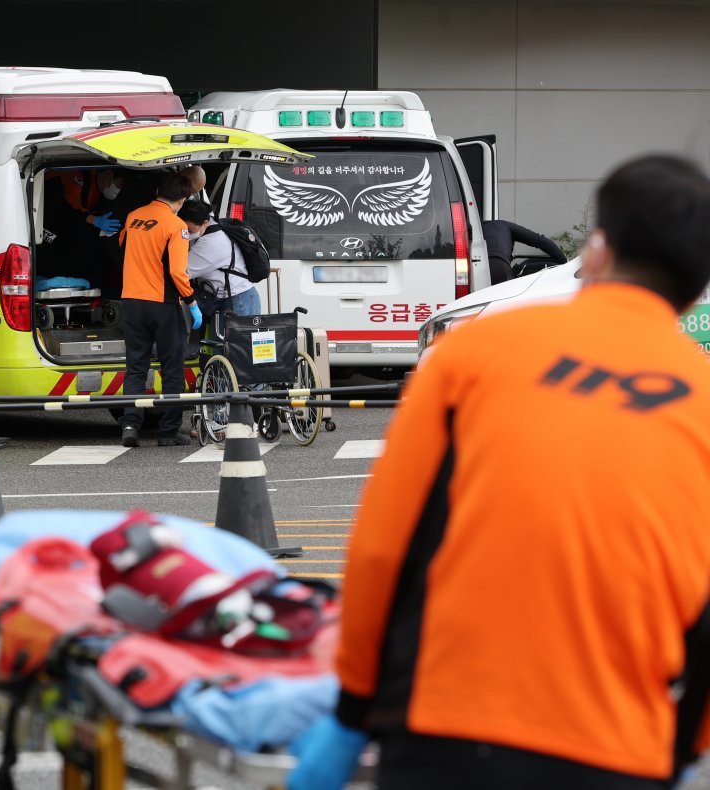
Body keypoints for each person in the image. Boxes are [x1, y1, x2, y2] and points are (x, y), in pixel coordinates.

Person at [290, 154, 710, 790]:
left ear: (596, 252)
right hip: (622, 747)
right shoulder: (702, 396)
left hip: (448, 726)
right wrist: (679, 751)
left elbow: (386, 547)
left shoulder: (477, 351)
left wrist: (354, 709)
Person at [117, 171, 202, 447]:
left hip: (130, 301)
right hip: (162, 305)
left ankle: (130, 425)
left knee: (136, 368)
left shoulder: (134, 217)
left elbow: (122, 244)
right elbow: (178, 272)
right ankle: (168, 432)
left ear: (157, 191)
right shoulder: (176, 226)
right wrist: (191, 302)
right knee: (172, 368)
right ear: (182, 198)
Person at [177, 199, 260, 338]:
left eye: (190, 230)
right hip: (230, 299)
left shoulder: (212, 243)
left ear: (204, 222)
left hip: (238, 302)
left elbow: (180, 271)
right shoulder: (211, 229)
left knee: (231, 353)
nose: (188, 234)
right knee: (222, 350)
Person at [38, 168, 122, 288]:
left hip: (64, 226)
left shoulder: (98, 194)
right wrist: (94, 220)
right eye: (119, 184)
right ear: (109, 174)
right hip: (46, 222)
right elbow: (67, 210)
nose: (118, 189)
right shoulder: (76, 176)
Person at [482, 218, 568, 284]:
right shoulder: (503, 225)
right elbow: (539, 240)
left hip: (477, 268)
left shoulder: (475, 230)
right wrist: (564, 261)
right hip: (499, 264)